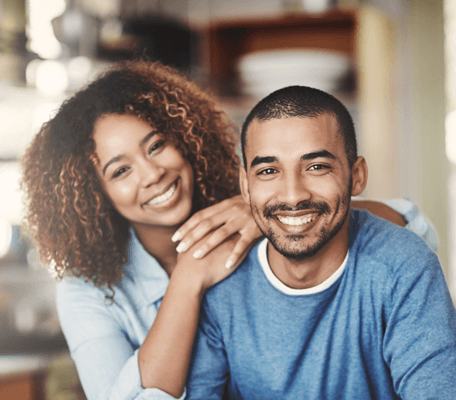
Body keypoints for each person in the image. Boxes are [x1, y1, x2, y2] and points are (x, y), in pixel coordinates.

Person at [21, 61, 434, 400]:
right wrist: (188, 279)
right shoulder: (86, 289)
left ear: (184, 138)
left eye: (157, 145)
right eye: (121, 170)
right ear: (94, 193)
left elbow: (408, 224)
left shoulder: (251, 202)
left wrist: (271, 213)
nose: (152, 174)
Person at [185, 86, 456, 399]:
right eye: (269, 170)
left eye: (317, 167)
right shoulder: (223, 279)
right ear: (245, 186)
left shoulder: (404, 266)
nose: (293, 195)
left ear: (357, 176)